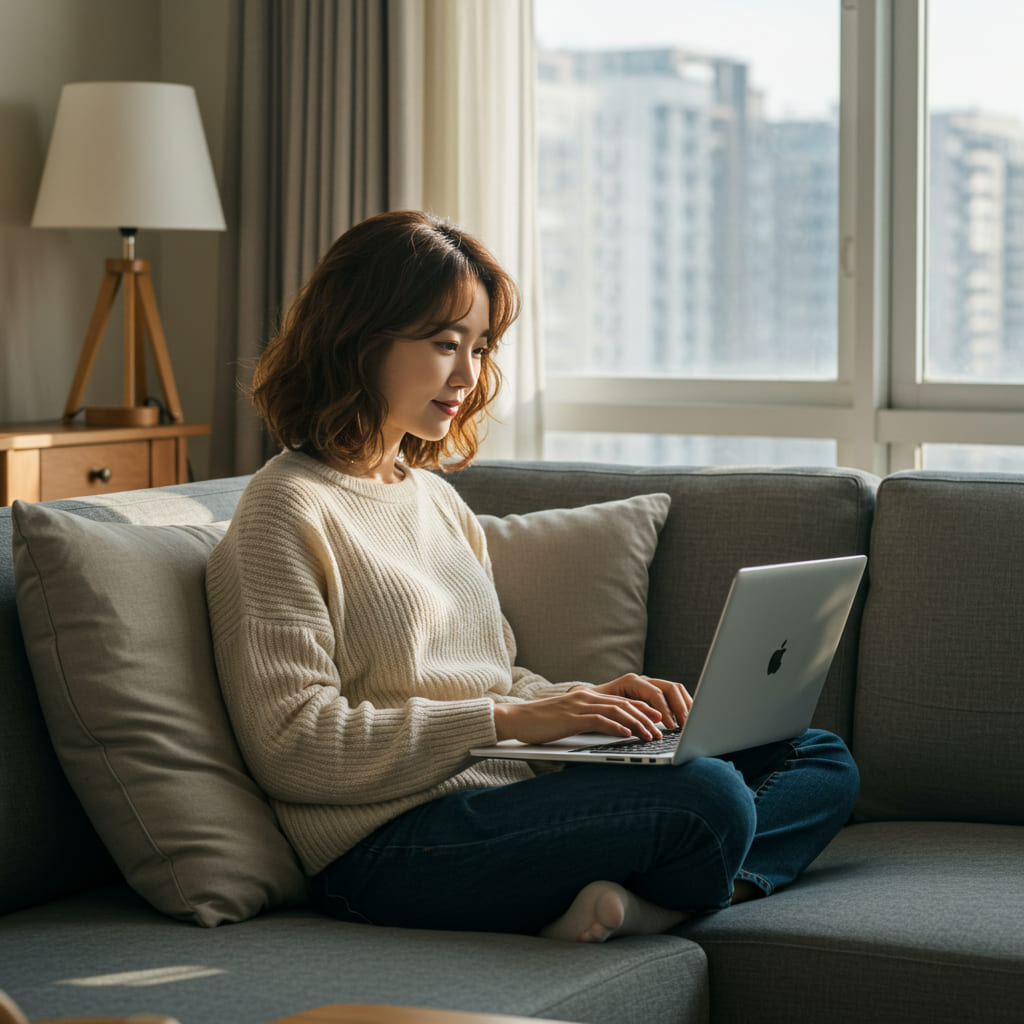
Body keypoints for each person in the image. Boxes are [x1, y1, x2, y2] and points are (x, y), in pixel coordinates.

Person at [205, 209, 859, 942]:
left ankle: (654, 905)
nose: (468, 375)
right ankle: (676, 895)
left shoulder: (433, 498)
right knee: (707, 796)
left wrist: (585, 705)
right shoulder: (283, 510)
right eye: (444, 343)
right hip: (386, 849)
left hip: (502, 800)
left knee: (814, 754)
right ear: (360, 336)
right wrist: (507, 719)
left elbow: (492, 676)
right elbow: (294, 747)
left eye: (480, 347)